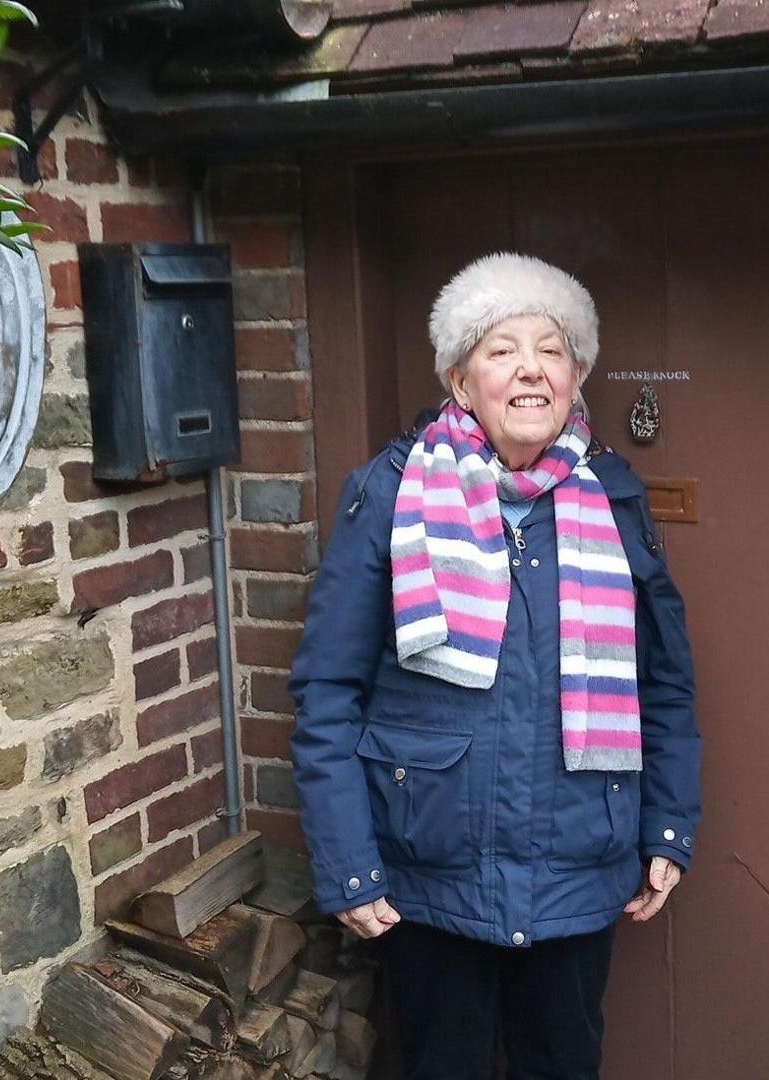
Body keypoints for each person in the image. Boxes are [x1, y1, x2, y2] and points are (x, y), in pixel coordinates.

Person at [290, 252, 702, 1079]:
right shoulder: (393, 491)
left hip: (580, 864)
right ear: (459, 377)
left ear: (577, 376)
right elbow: (328, 691)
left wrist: (668, 822)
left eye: (551, 349)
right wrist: (348, 862)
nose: (529, 370)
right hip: (430, 873)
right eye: (501, 348)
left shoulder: (613, 499)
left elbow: (665, 679)